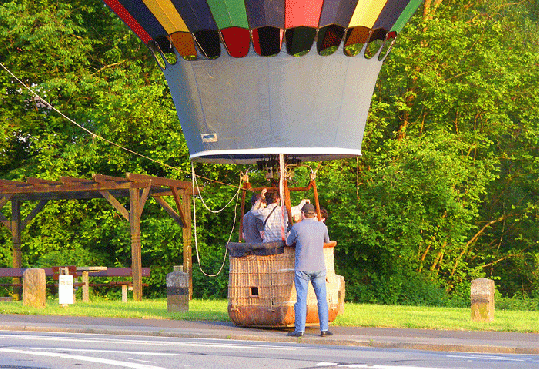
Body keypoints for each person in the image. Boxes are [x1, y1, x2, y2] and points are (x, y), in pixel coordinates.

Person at [286, 203, 333, 337]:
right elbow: (327, 241)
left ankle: (299, 330)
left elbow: (289, 242)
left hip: (302, 267)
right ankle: (324, 329)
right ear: (314, 214)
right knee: (322, 299)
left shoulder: (297, 227)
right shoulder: (322, 226)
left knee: (301, 298)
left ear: (303, 214)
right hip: (319, 267)